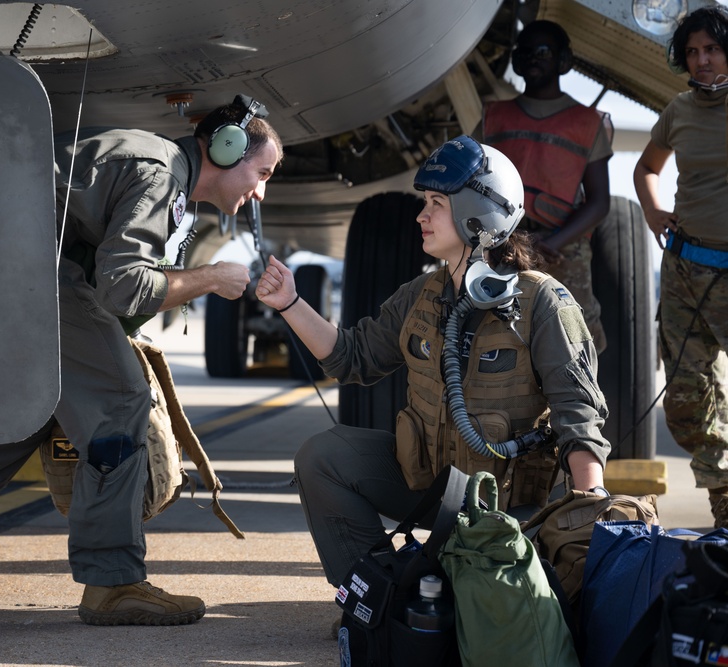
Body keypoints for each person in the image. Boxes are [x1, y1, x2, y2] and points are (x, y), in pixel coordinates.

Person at [0, 95, 283, 624]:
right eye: (262, 172)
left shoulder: (156, 164)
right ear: (228, 148)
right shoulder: (160, 175)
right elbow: (125, 287)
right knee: (121, 399)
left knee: (34, 407)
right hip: (23, 267)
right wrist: (210, 278)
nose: (261, 190)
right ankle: (113, 583)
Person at [256, 135, 609, 590]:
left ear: (475, 214)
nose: (421, 215)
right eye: (425, 201)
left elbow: (577, 415)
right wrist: (290, 303)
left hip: (515, 506)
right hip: (435, 490)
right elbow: (352, 357)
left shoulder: (542, 301)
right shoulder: (420, 296)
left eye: (436, 203)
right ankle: (373, 595)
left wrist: (589, 507)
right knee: (323, 457)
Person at [632, 5, 728, 529]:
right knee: (688, 403)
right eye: (692, 52)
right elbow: (646, 167)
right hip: (686, 272)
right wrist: (652, 209)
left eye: (711, 49)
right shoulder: (679, 110)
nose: (702, 60)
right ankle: (725, 509)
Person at [477, 19, 613, 353]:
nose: (533, 59)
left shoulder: (587, 122)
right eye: (525, 53)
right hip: (502, 244)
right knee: (496, 332)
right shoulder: (492, 117)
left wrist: (550, 242)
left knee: (575, 333)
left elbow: (599, 202)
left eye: (543, 52)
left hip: (562, 246)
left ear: (563, 61)